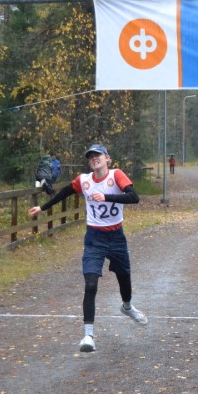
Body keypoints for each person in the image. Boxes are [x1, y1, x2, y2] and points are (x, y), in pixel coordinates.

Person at [28, 143, 148, 352]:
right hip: (94, 238)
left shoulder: (116, 175)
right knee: (91, 283)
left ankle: (127, 306)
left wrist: (106, 197)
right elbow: (65, 192)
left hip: (116, 237)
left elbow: (134, 197)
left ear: (107, 158)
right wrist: (42, 207)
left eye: (98, 155)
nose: (94, 158)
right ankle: (88, 336)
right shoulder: (83, 180)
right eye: (90, 156)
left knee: (124, 279)